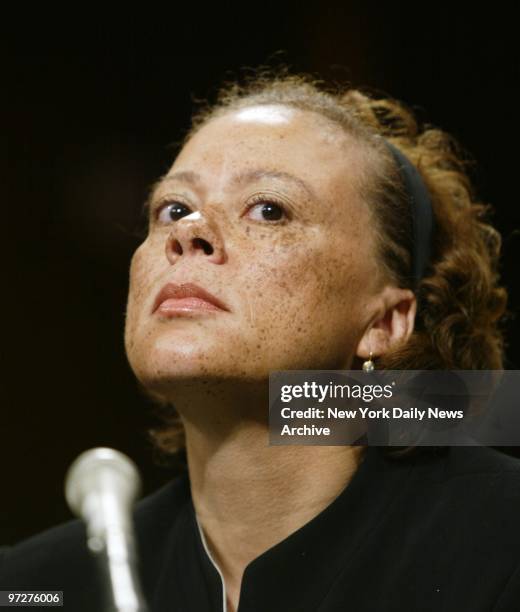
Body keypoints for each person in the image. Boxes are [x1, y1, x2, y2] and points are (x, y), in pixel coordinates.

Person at [2, 66, 520, 611]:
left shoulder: (501, 544)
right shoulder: (38, 586)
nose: (188, 232)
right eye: (173, 208)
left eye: (269, 210)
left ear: (384, 324)